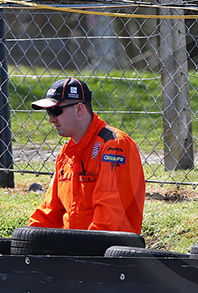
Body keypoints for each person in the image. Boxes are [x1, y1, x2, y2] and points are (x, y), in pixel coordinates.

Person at [28, 77, 146, 233]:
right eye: (48, 112)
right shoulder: (66, 155)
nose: (51, 119)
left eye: (55, 111)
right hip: (78, 248)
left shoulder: (114, 146)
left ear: (79, 109)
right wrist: (25, 241)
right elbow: (50, 212)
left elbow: (107, 221)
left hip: (110, 251)